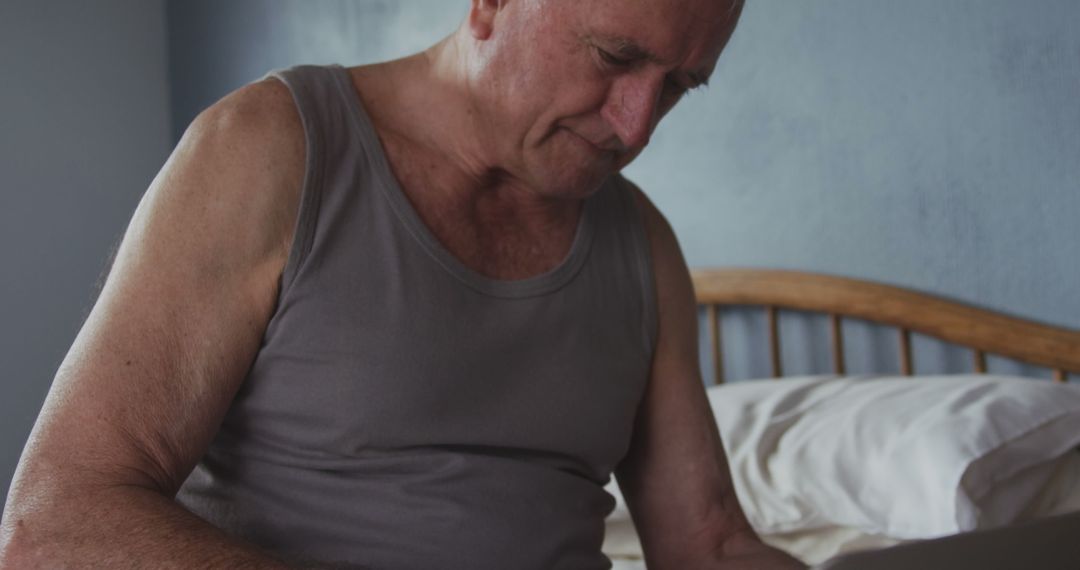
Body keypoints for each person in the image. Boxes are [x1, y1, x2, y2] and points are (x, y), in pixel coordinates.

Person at [1, 0, 805, 568]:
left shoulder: (643, 244)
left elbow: (711, 548)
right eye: (615, 57)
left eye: (678, 86)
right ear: (491, 2)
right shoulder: (266, 150)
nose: (636, 125)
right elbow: (53, 527)